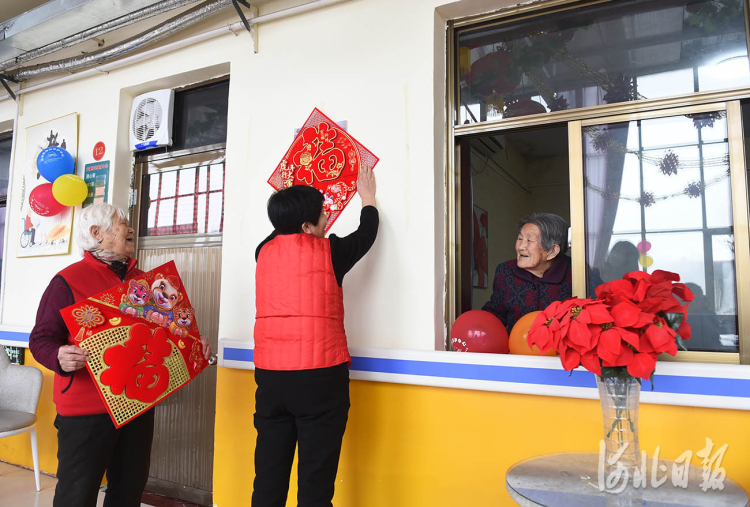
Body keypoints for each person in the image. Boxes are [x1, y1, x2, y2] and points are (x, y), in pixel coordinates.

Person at [28, 203, 212, 507]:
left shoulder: (147, 284)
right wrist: (59, 355)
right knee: (77, 494)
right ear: (97, 233)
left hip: (137, 404)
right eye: (121, 222)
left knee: (128, 490)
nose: (130, 228)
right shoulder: (67, 281)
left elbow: (169, 332)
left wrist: (194, 342)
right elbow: (41, 339)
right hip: (86, 409)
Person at [253, 166, 378, 507]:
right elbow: (366, 234)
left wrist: (285, 200)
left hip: (270, 378)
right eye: (323, 216)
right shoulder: (331, 252)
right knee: (315, 482)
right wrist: (368, 198)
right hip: (319, 379)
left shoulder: (261, 252)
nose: (327, 221)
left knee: (268, 477)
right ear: (307, 227)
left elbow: (278, 233)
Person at [482, 212, 572, 333]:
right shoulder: (505, 271)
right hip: (516, 349)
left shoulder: (576, 273)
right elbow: (496, 313)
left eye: (530, 240)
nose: (521, 246)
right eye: (520, 238)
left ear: (552, 251)